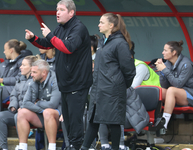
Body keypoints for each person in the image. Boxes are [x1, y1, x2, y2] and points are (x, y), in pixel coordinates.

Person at [24, 0, 92, 149]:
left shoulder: (78, 28)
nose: (57, 12)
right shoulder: (61, 28)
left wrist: (50, 35)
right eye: (56, 9)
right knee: (67, 120)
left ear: (71, 13)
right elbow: (48, 44)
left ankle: (75, 146)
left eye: (61, 9)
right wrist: (33, 39)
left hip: (78, 82)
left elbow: (67, 48)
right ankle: (71, 145)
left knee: (75, 120)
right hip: (65, 83)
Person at [81, 13, 135, 150]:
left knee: (114, 122)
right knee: (93, 121)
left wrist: (120, 85)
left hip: (112, 91)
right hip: (98, 90)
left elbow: (129, 70)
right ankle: (84, 148)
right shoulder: (101, 42)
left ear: (111, 25)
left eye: (101, 22)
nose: (98, 24)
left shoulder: (120, 43)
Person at [99, 41, 161, 150]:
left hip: (139, 109)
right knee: (100, 111)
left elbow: (128, 90)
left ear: (129, 57)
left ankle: (121, 145)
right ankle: (104, 145)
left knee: (116, 110)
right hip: (128, 107)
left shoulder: (139, 67)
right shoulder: (118, 69)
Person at [17, 59, 62, 150]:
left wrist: (38, 103)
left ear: (44, 73)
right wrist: (40, 109)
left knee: (48, 112)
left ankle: (52, 147)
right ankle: (22, 147)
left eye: (34, 72)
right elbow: (25, 103)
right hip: (42, 114)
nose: (31, 74)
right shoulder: (34, 81)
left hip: (59, 116)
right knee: (22, 112)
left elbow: (53, 104)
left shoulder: (55, 79)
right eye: (31, 72)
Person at [155, 40, 193, 129]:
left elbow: (178, 84)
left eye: (165, 50)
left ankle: (164, 123)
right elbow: (164, 86)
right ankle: (153, 120)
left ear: (174, 52)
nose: (162, 52)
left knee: (172, 90)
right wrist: (162, 72)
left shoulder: (186, 64)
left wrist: (164, 70)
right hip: (179, 93)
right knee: (159, 91)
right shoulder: (168, 63)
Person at [0, 55, 38, 150]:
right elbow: (13, 95)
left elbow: (36, 99)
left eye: (23, 65)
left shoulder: (37, 80)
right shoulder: (20, 79)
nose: (20, 67)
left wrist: (24, 108)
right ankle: (3, 148)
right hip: (18, 111)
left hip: (32, 114)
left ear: (31, 67)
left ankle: (22, 146)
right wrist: (13, 105)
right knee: (1, 116)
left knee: (19, 115)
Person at [0, 39, 32, 104]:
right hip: (5, 88)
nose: (4, 52)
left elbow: (19, 79)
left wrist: (2, 80)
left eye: (5, 50)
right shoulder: (7, 62)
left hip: (14, 91)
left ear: (11, 50)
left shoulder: (22, 62)